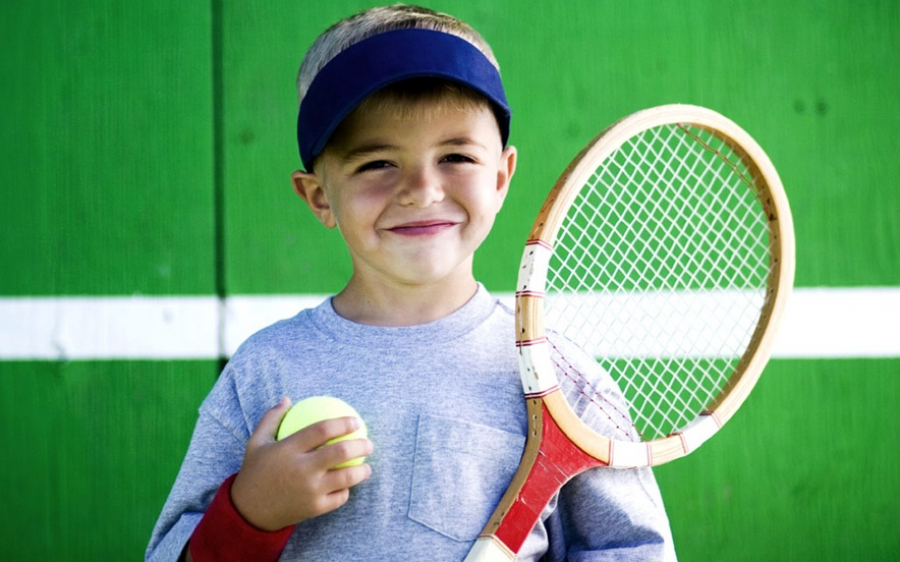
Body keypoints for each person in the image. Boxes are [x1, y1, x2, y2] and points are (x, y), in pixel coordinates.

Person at [146, 5, 676, 561]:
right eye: (377, 163)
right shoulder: (265, 372)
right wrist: (250, 513)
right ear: (319, 196)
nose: (422, 190)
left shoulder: (564, 385)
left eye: (455, 156)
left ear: (500, 177)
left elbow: (633, 550)